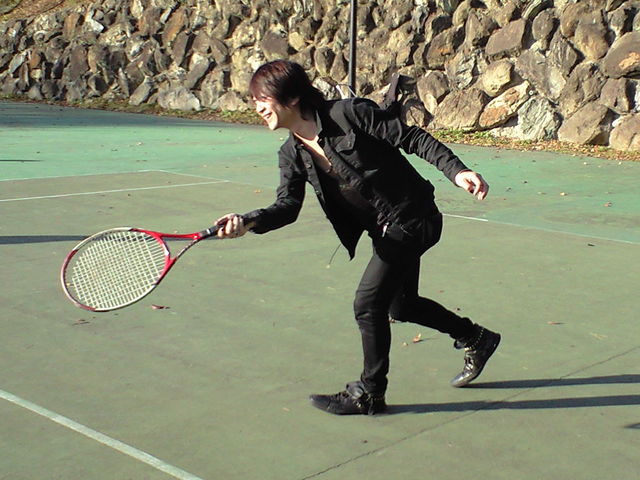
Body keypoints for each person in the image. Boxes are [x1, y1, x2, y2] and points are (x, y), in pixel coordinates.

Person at [215, 60, 500, 415]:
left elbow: (411, 137)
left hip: (414, 218)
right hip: (385, 231)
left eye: (262, 98)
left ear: (291, 97)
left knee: (368, 304)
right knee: (401, 305)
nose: (257, 107)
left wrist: (456, 171)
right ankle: (475, 337)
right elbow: (287, 206)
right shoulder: (292, 153)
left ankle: (369, 393)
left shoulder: (349, 114)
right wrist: (248, 221)